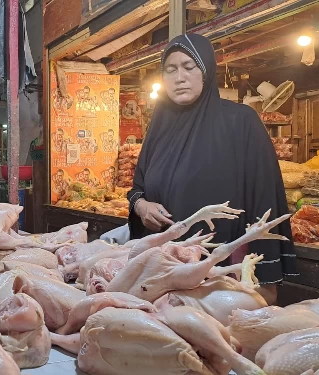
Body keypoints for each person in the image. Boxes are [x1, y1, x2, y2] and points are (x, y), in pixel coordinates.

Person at [127, 33, 297, 305]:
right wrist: (141, 206)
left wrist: (264, 276)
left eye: (188, 67)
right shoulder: (160, 127)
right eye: (170, 70)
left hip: (220, 274)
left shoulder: (240, 122)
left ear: (206, 70)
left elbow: (264, 197)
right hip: (162, 274)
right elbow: (137, 189)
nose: (179, 77)